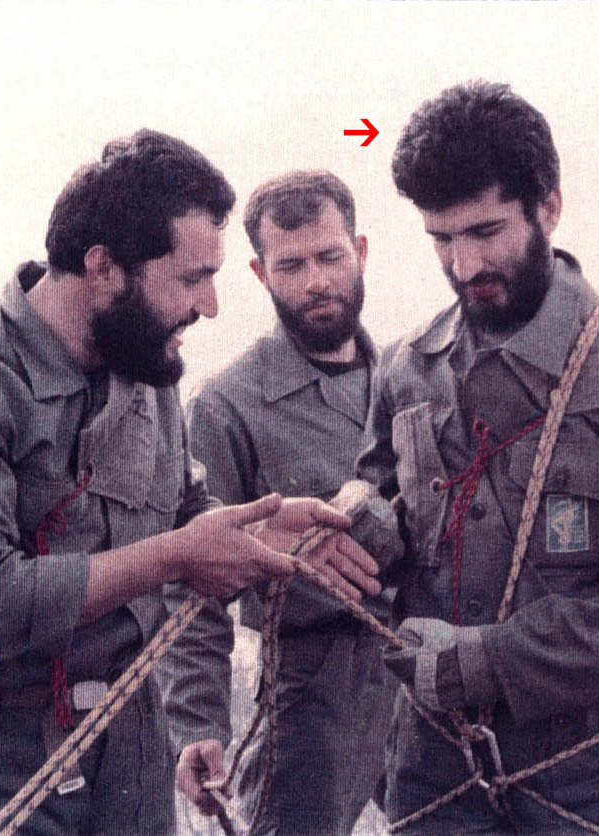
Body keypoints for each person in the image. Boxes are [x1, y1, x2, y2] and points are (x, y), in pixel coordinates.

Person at [0, 130, 379, 836]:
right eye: (191, 278)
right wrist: (179, 555)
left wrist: (250, 529)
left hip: (130, 744)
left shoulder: (143, 366)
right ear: (102, 269)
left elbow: (183, 510)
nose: (211, 305)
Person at [357, 81, 599, 835]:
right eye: (441, 239)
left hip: (590, 776)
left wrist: (494, 661)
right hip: (434, 766)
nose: (465, 263)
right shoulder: (407, 371)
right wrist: (363, 526)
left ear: (549, 207)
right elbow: (381, 506)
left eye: (486, 231)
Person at [162, 170, 398, 835]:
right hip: (312, 693)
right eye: (291, 266)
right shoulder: (226, 405)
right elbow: (193, 586)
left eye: (330, 257)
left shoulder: (412, 378)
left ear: (360, 251)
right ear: (261, 274)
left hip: (425, 674)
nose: (315, 281)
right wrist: (199, 722)